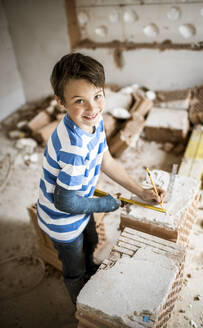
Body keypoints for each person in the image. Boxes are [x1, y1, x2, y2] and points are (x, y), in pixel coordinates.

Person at [37, 52, 166, 308]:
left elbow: (106, 161)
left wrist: (140, 191)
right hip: (62, 221)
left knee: (92, 243)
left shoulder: (92, 124)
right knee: (74, 266)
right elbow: (64, 201)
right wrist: (104, 205)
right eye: (79, 101)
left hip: (79, 207)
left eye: (97, 96)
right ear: (60, 102)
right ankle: (83, 306)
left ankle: (90, 272)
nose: (93, 108)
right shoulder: (73, 150)